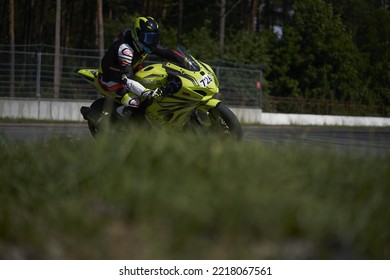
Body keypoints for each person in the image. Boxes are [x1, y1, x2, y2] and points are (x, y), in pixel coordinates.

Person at [98, 16, 175, 118]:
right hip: (111, 78)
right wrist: (145, 92)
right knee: (134, 102)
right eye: (148, 38)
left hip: (130, 71)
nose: (151, 42)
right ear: (137, 34)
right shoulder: (125, 49)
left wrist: (188, 61)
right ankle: (111, 121)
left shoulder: (147, 44)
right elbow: (127, 79)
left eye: (153, 38)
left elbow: (167, 52)